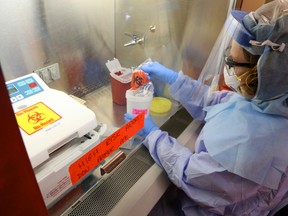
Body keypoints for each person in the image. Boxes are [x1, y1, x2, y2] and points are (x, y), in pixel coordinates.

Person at [124, 1, 288, 215]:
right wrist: (175, 80)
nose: (227, 66)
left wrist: (153, 136)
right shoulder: (268, 101)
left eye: (233, 62)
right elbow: (214, 102)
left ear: (263, 73)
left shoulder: (253, 147)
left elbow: (189, 173)